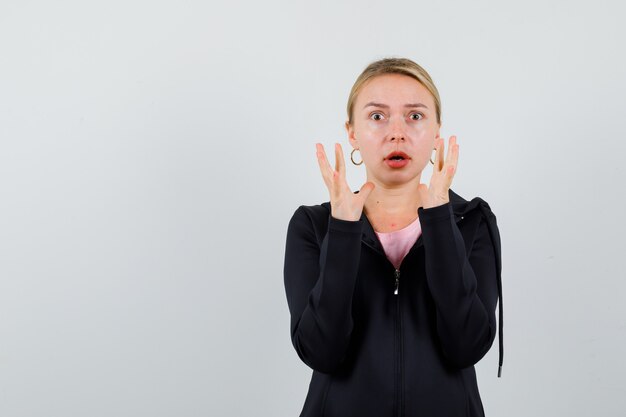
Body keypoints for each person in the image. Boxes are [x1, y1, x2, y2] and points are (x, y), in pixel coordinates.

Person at [283, 57, 503, 417]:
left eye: (415, 116)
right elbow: (321, 352)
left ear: (436, 133)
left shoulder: (470, 222)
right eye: (377, 116)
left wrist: (439, 222)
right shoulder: (315, 225)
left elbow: (466, 347)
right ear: (352, 131)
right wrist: (343, 230)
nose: (396, 132)